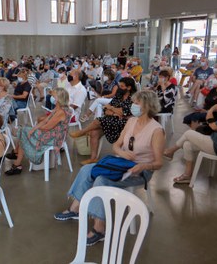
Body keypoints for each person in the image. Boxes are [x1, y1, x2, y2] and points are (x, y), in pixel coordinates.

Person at [54, 90, 165, 246]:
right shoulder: (132, 121)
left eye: (137, 103)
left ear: (147, 106)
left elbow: (159, 162)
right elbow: (116, 145)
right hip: (122, 164)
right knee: (87, 169)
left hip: (141, 171)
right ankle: (76, 208)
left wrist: (144, 165)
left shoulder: (156, 130)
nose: (133, 106)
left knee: (101, 180)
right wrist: (123, 154)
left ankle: (100, 229)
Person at [164, 86, 217, 184]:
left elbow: (214, 127)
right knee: (187, 144)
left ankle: (171, 151)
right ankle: (187, 175)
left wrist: (211, 110)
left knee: (189, 133)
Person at [5, 88, 72, 175]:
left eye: (53, 96)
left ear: (59, 98)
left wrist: (32, 131)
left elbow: (47, 127)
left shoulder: (61, 111)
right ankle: (17, 162)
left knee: (23, 131)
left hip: (54, 137)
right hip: (51, 132)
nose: (51, 97)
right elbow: (45, 121)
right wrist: (33, 129)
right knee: (24, 131)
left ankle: (17, 161)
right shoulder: (58, 108)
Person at [70, 77, 136, 164]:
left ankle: (82, 132)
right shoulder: (119, 95)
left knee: (98, 120)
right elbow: (106, 109)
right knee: (94, 133)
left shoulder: (134, 98)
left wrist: (112, 109)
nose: (119, 88)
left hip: (125, 123)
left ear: (129, 88)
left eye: (122, 86)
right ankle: (93, 158)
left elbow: (124, 112)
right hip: (111, 120)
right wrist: (113, 112)